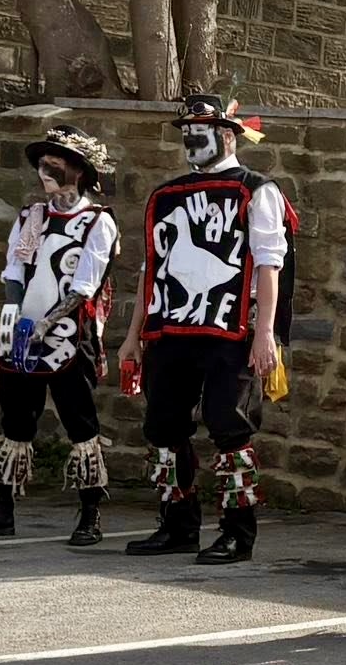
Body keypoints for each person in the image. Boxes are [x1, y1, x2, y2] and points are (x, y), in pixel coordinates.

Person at [116, 94, 296, 566]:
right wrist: (133, 335)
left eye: (201, 131)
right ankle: (178, 524)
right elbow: (149, 268)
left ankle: (238, 533)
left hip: (230, 330)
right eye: (185, 132)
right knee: (163, 425)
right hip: (169, 328)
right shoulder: (165, 195)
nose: (190, 140)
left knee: (228, 424)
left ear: (228, 135)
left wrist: (265, 335)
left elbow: (269, 265)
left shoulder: (257, 189)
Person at [0, 125, 121, 547]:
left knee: (80, 421)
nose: (45, 169)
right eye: (42, 162)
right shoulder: (31, 217)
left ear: (80, 171)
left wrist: (46, 323)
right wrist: (15, 318)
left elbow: (84, 286)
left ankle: (91, 512)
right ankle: (3, 509)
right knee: (16, 420)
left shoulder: (97, 222)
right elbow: (14, 272)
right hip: (22, 332)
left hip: (70, 335)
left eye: (57, 162)